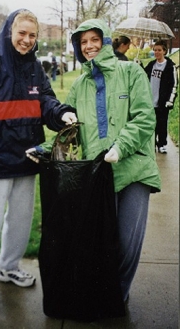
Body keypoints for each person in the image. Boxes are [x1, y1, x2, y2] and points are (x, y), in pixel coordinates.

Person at [27, 18, 161, 304]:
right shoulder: (79, 85)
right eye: (83, 42)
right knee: (103, 243)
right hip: (98, 174)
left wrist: (121, 146)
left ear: (106, 40)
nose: (89, 46)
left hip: (134, 169)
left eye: (94, 40)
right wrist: (44, 148)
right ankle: (106, 297)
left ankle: (118, 297)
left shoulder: (132, 72)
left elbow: (145, 117)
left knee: (127, 243)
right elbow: (71, 131)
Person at [0, 9, 77, 314]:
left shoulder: (35, 68)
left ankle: (8, 267)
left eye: (32, 35)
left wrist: (60, 113)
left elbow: (45, 101)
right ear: (9, 31)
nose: (27, 40)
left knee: (20, 223)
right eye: (22, 33)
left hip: (26, 159)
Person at [144, 40, 177, 153]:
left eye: (159, 50)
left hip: (163, 102)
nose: (157, 52)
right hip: (150, 100)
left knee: (162, 124)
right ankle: (151, 144)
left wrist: (170, 101)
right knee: (151, 124)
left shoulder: (170, 67)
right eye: (155, 50)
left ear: (164, 51)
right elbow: (142, 76)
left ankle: (162, 144)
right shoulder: (151, 65)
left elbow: (174, 85)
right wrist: (137, 65)